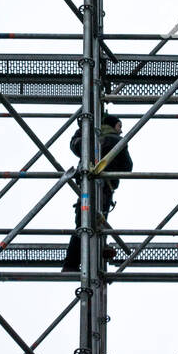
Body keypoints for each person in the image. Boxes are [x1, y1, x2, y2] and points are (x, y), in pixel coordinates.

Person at [64, 115, 133, 271]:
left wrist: (81, 130)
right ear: (113, 125)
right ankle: (91, 256)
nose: (121, 130)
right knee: (98, 221)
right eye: (119, 126)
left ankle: (72, 264)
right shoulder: (117, 141)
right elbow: (127, 167)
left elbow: (75, 145)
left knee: (82, 223)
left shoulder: (88, 140)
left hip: (86, 188)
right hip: (105, 188)